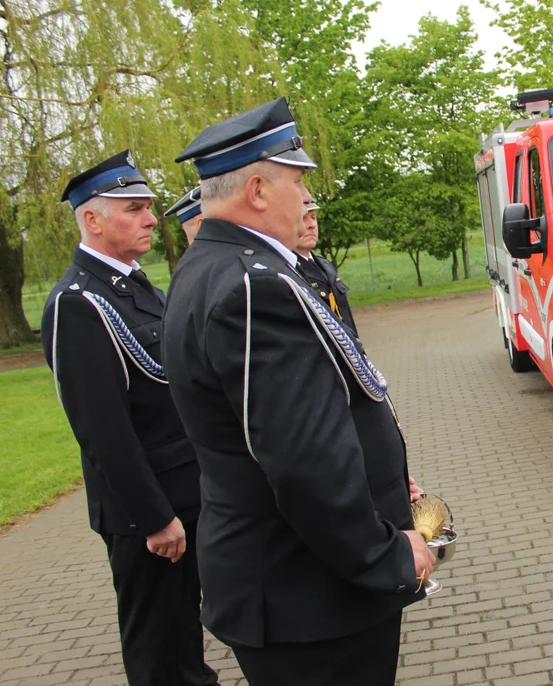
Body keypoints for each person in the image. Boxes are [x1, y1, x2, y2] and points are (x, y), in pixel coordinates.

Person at [161, 97, 435, 686]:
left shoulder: (210, 267)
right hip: (310, 597)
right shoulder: (254, 287)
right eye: (296, 181)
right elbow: (304, 460)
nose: (306, 196)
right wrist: (383, 554)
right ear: (257, 189)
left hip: (288, 586)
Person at [40, 151, 218, 686]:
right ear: (92, 220)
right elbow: (102, 429)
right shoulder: (79, 302)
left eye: (148, 207)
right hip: (148, 514)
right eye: (134, 208)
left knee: (184, 636)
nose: (149, 219)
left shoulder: (135, 285)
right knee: (160, 650)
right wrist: (152, 517)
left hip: (183, 495)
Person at [294, 201, 357, 333]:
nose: (311, 225)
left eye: (313, 217)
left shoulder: (324, 265)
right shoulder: (290, 271)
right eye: (302, 218)